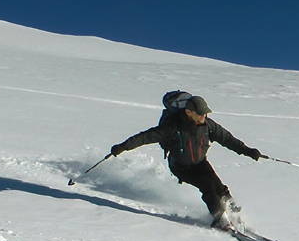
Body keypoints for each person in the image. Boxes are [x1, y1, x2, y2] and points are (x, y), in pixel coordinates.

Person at [110, 96, 262, 229]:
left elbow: (228, 139)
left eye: (206, 112)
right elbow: (144, 137)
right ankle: (221, 219)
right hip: (181, 167)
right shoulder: (173, 127)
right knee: (207, 185)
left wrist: (248, 151)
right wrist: (122, 147)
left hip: (200, 162)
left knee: (219, 187)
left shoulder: (208, 125)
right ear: (188, 112)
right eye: (201, 113)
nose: (204, 115)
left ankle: (234, 212)